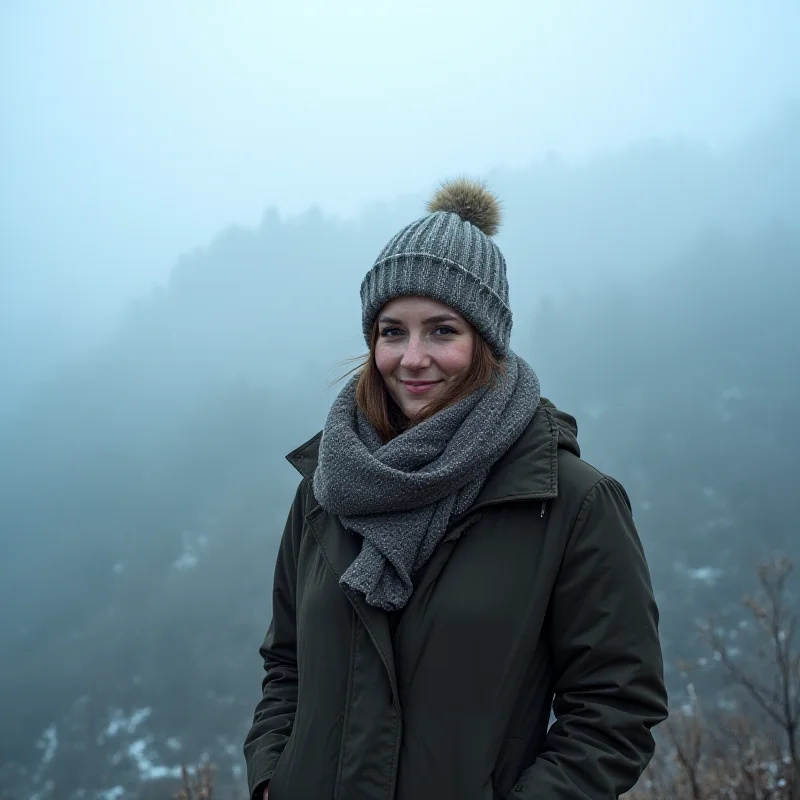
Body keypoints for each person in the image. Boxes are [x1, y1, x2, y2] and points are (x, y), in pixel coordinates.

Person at [243, 179, 668, 799]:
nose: (412, 357)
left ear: (486, 342)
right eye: (392, 331)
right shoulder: (327, 487)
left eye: (442, 330)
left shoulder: (569, 500)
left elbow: (616, 710)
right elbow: (286, 665)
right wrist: (269, 782)